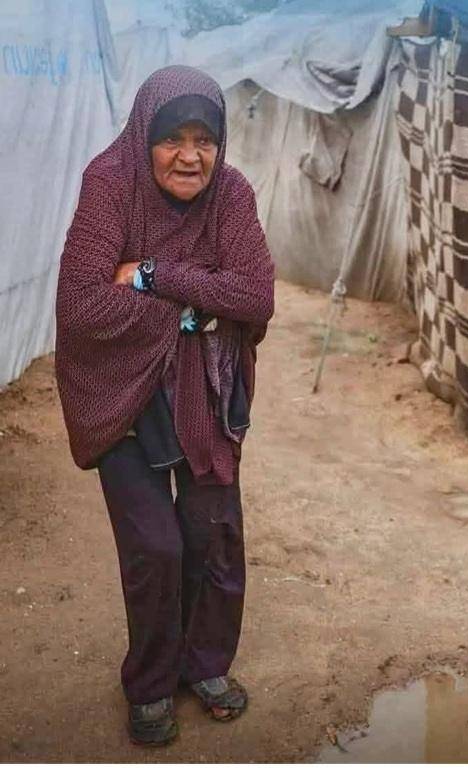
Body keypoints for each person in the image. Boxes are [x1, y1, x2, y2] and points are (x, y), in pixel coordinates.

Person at [55, 66, 275, 745]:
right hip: (120, 392)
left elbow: (256, 297)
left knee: (211, 533)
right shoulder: (107, 183)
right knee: (155, 543)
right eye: (173, 138)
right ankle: (150, 683)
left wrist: (153, 277)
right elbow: (83, 304)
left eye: (204, 139)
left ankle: (204, 665)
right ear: (144, 136)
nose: (190, 156)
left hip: (204, 393)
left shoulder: (231, 194)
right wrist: (201, 307)